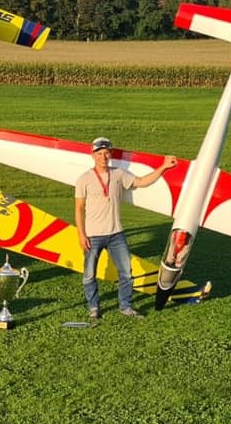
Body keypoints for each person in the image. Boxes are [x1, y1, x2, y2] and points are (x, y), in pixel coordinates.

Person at [75, 137, 177, 320]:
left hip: (116, 234)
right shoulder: (84, 179)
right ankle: (93, 308)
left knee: (126, 274)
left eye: (106, 153)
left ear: (110, 154)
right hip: (93, 235)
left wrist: (163, 167)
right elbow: (79, 208)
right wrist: (81, 234)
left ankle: (126, 307)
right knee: (89, 275)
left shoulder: (119, 174)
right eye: (99, 153)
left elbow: (142, 182)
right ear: (93, 155)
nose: (103, 157)